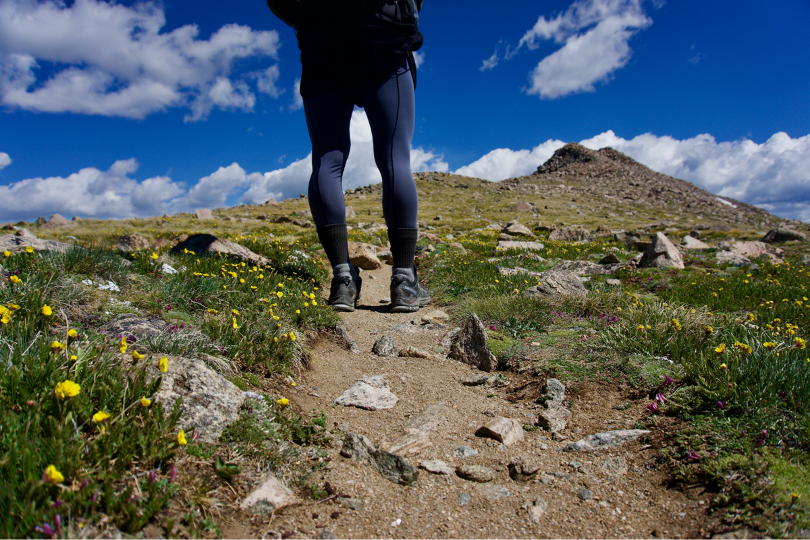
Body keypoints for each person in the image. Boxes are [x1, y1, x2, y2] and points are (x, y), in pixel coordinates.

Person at [268, 0, 429, 313]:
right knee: (395, 157)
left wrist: (308, 18)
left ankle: (343, 279)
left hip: (321, 44)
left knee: (327, 161)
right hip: (383, 36)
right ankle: (404, 281)